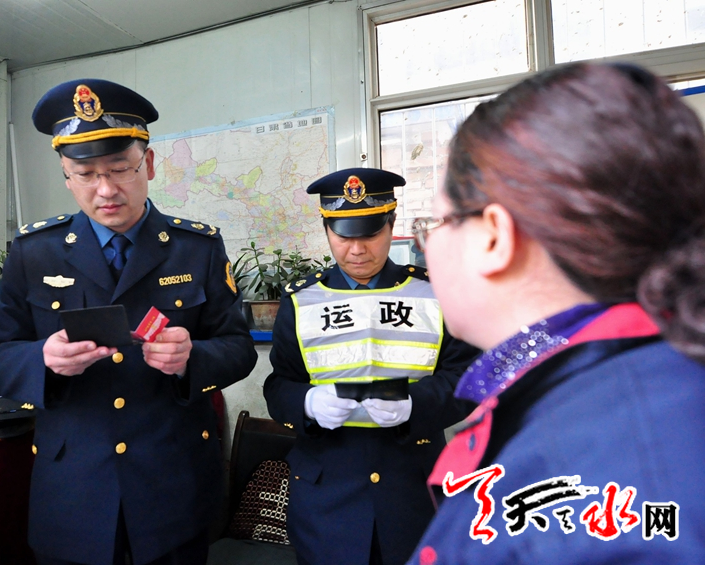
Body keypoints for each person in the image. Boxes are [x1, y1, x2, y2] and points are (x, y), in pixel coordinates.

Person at [406, 62, 705, 564]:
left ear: (494, 238)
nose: (428, 245)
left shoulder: (601, 466)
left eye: (435, 223)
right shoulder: (637, 380)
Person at [0, 78, 258, 565]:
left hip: (173, 485)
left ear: (148, 164)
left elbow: (238, 347)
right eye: (85, 174)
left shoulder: (197, 248)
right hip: (75, 489)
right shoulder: (34, 252)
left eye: (120, 169)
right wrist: (42, 360)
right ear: (66, 176)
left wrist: (192, 358)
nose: (105, 190)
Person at [263, 168, 480, 565]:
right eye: (344, 237)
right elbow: (279, 386)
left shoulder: (434, 293)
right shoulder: (301, 301)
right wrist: (309, 403)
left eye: (371, 234)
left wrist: (415, 404)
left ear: (392, 226)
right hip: (327, 497)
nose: (358, 250)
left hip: (413, 491)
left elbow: (466, 379)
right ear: (327, 231)